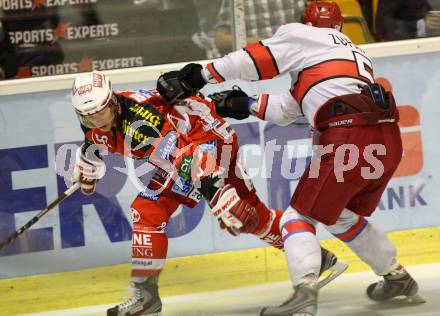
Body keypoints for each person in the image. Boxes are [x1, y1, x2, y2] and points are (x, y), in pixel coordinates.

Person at [156, 1, 424, 315]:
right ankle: (397, 277)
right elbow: (292, 108)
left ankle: (304, 294)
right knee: (339, 215)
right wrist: (245, 104)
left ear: (305, 23)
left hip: (347, 135)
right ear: (338, 26)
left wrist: (199, 75)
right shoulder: (349, 50)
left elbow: (254, 59)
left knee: (295, 218)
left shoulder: (302, 34)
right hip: (386, 139)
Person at [70, 70, 346, 316]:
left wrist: (216, 194)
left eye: (101, 113)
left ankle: (146, 298)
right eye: (88, 116)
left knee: (150, 210)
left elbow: (184, 157)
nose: (97, 121)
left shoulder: (141, 124)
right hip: (200, 143)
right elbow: (95, 138)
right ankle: (317, 258)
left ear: (113, 103)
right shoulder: (96, 118)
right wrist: (89, 161)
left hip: (205, 142)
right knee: (252, 217)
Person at [213, 0, 306, 54]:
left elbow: (312, 34)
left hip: (291, 64)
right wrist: (270, 44)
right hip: (252, 65)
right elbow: (221, 39)